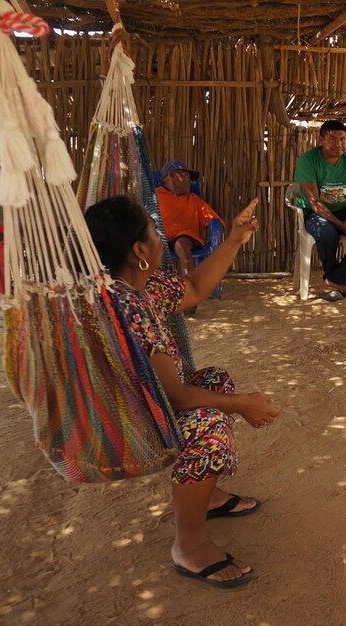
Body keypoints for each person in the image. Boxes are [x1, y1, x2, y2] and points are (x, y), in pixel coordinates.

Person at [84, 195, 281, 588]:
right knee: (208, 425)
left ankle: (204, 498)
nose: (161, 237)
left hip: (153, 403)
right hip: (133, 422)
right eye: (154, 231)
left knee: (215, 381)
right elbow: (176, 398)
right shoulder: (127, 307)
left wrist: (235, 239)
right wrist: (243, 405)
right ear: (140, 250)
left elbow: (192, 288)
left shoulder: (136, 283)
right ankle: (189, 546)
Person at [294, 120, 346, 302]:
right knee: (326, 231)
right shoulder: (308, 161)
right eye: (332, 138)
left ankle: (335, 278)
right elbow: (315, 204)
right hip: (315, 214)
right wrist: (344, 227)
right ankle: (339, 281)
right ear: (321, 139)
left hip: (343, 212)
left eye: (342, 139)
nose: (338, 144)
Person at [156, 160, 223, 279]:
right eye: (186, 176)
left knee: (182, 244)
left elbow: (216, 221)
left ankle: (188, 287)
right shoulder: (155, 197)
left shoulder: (194, 199)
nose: (190, 181)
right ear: (172, 176)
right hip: (161, 239)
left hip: (186, 239)